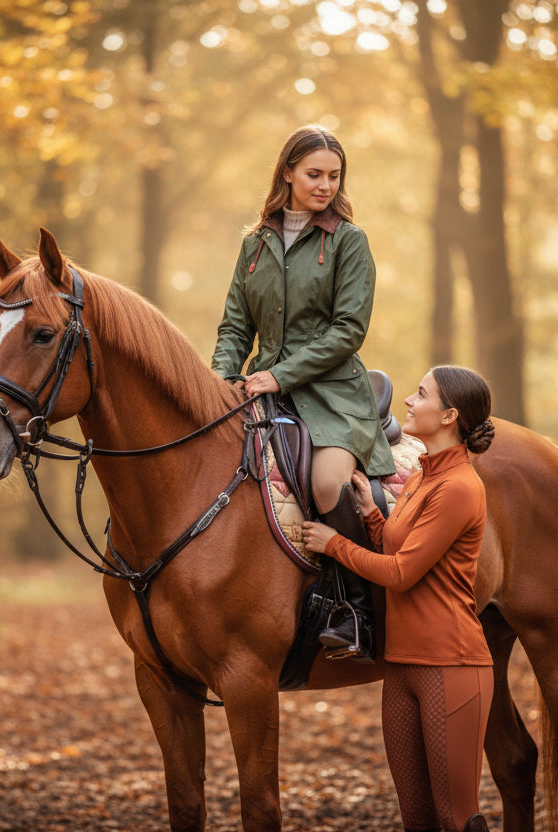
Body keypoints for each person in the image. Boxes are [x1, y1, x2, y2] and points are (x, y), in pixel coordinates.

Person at [211, 124, 395, 662]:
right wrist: (222, 383)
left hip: (333, 394)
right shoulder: (254, 244)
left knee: (326, 481)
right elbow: (234, 328)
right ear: (287, 172)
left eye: (334, 177)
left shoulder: (349, 242)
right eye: (314, 174)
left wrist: (282, 374)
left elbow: (348, 330)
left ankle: (350, 609)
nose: (325, 186)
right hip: (262, 388)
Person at [302, 365, 497, 832]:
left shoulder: (459, 488)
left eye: (420, 394)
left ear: (449, 415)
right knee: (417, 819)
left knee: (457, 819)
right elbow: (398, 545)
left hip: (450, 665)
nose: (408, 401)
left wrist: (334, 544)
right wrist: (371, 515)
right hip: (401, 666)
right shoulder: (418, 478)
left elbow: (402, 572)